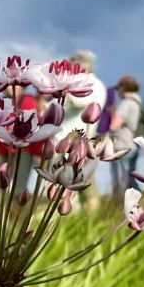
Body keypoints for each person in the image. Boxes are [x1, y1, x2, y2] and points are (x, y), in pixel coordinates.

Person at [60, 50, 107, 209]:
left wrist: (63, 87)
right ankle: (88, 217)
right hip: (80, 138)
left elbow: (79, 102)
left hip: (75, 138)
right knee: (83, 180)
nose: (70, 70)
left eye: (73, 66)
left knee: (76, 181)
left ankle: (86, 217)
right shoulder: (95, 83)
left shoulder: (89, 82)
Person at [109, 75, 144, 195]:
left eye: (118, 88)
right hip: (133, 146)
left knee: (122, 181)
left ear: (123, 88)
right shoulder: (138, 103)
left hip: (121, 146)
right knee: (130, 179)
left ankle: (123, 204)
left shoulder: (126, 104)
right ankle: (142, 202)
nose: (118, 92)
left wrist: (111, 114)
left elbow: (114, 126)